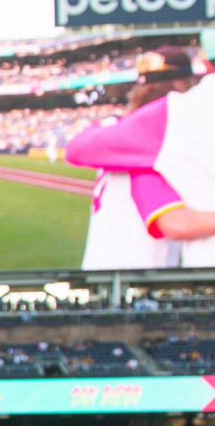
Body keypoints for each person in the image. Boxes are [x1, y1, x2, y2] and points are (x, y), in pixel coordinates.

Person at [67, 45, 215, 269]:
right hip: (136, 282)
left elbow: (76, 148)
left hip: (102, 271)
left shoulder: (115, 135)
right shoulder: (157, 147)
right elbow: (176, 223)